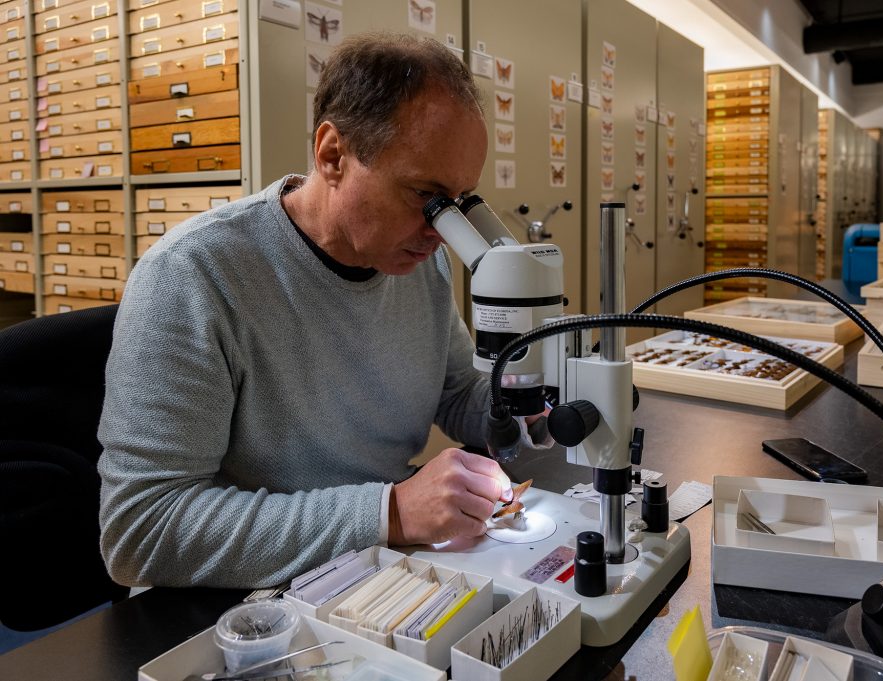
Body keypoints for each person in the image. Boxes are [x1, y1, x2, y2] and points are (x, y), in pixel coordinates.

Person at [97, 32, 547, 589]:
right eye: (424, 195)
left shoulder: (415, 258)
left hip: (378, 566)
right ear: (332, 154)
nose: (444, 230)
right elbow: (141, 529)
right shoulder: (195, 275)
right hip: (243, 610)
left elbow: (456, 393)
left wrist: (533, 400)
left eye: (459, 202)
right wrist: (391, 512)